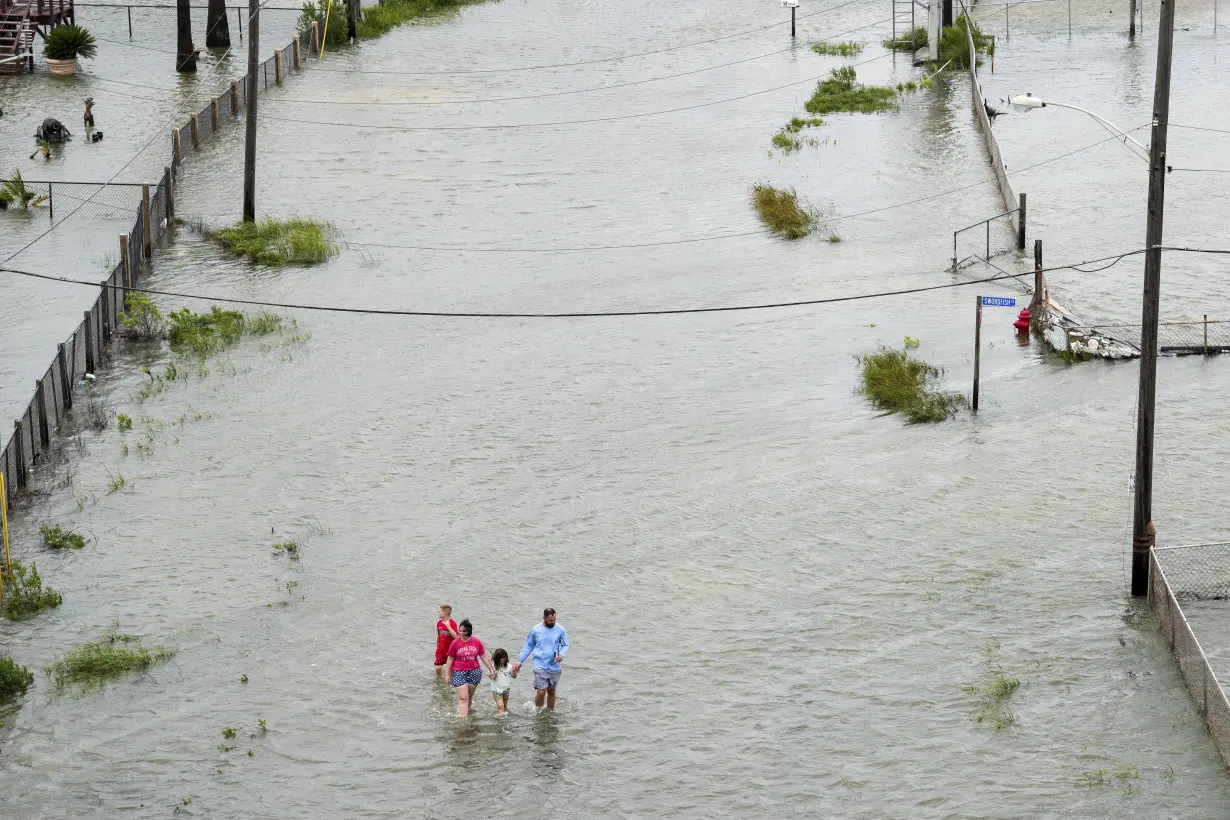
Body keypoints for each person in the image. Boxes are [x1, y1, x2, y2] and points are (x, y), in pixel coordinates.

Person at [513, 608, 569, 712]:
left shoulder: (560, 629)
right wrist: (520, 661)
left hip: (554, 666)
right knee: (541, 692)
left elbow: (565, 645)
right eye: (550, 620)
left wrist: (562, 654)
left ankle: (550, 713)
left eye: (554, 620)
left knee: (551, 691)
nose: (553, 622)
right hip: (539, 665)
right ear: (544, 618)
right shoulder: (536, 630)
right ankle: (538, 711)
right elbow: (528, 646)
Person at [444, 619, 494, 717]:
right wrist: (447, 674)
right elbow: (450, 659)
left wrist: (491, 669)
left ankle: (468, 715)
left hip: (474, 672)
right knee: (463, 698)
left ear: (468, 632)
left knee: (469, 696)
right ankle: (463, 722)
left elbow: (483, 656)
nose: (460, 632)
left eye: (463, 631)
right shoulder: (455, 643)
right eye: (460, 630)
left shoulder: (477, 642)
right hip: (459, 672)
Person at [434, 605, 458, 679]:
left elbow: (455, 636)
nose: (438, 613)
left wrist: (448, 627)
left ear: (445, 613)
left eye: (440, 612)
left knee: (450, 669)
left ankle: (449, 681)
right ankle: (439, 680)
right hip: (441, 649)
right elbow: (438, 635)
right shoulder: (439, 623)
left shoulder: (452, 623)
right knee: (438, 668)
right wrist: (437, 647)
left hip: (450, 650)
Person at [489, 648, 513, 715]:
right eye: (501, 658)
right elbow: (492, 677)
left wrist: (515, 672)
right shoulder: (493, 667)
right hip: (497, 690)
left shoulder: (509, 666)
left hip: (506, 689)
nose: (503, 659)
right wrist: (492, 675)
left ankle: (504, 717)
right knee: (500, 706)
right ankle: (501, 719)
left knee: (505, 706)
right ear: (497, 659)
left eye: (504, 657)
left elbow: (514, 676)